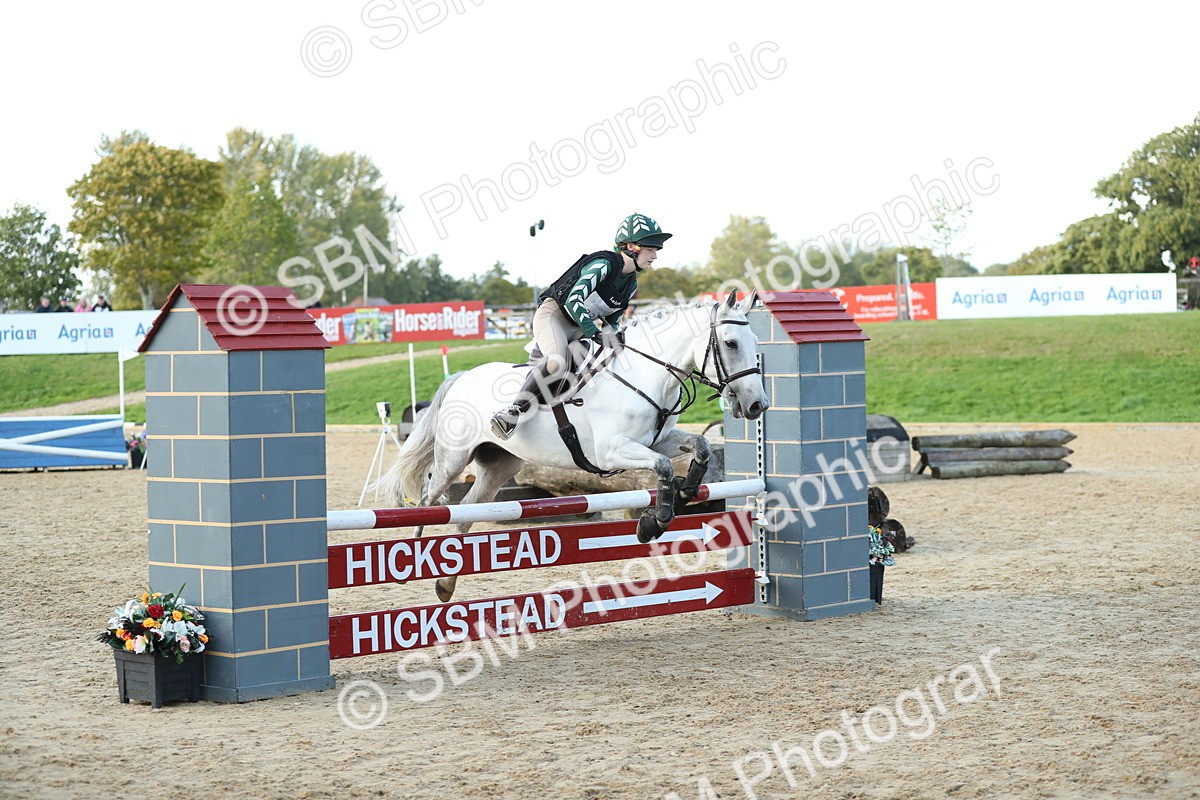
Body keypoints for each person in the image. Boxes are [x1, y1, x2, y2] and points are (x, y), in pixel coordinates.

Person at [489, 212, 672, 439]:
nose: (654, 256)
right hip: (555, 317)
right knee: (557, 361)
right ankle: (512, 413)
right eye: (651, 249)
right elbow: (574, 301)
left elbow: (612, 321)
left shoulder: (631, 283)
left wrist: (615, 338)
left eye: (656, 250)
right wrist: (594, 332)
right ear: (632, 246)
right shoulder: (604, 264)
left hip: (579, 328)